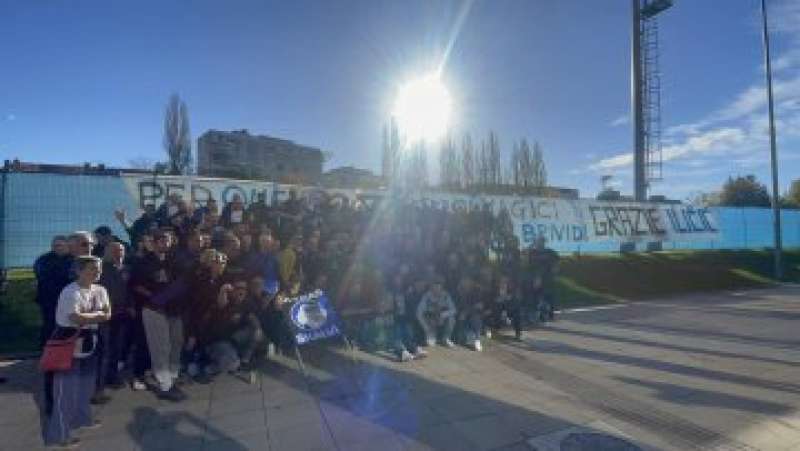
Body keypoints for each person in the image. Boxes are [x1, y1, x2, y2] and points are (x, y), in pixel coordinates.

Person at [43, 256, 111, 449]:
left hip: (91, 341)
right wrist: (96, 315)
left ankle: (83, 418)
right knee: (65, 390)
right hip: (68, 342)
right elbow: (76, 318)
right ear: (79, 271)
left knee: (86, 384)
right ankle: (60, 434)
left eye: (98, 269)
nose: (97, 272)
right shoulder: (69, 292)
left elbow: (107, 314)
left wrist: (93, 316)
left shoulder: (100, 290)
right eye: (91, 269)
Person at [130, 230, 187, 401]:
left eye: (168, 240)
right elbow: (135, 285)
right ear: (154, 243)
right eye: (161, 240)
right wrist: (155, 298)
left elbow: (183, 283)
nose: (165, 243)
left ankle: (172, 377)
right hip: (153, 309)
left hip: (174, 309)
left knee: (176, 342)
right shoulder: (143, 262)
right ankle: (165, 385)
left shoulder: (175, 260)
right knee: (160, 347)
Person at [96, 242, 131, 396]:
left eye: (121, 250)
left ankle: (112, 377)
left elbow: (130, 289)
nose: (119, 253)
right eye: (115, 250)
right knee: (102, 348)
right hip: (103, 314)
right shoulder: (100, 268)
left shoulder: (126, 269)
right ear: (107, 252)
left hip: (121, 313)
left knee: (117, 346)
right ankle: (98, 383)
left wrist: (130, 305)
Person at [33, 235, 71, 348]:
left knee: (66, 325)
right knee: (49, 324)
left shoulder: (72, 259)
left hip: (67, 299)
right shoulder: (43, 259)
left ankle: (64, 349)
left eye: (60, 245)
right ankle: (46, 349)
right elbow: (42, 274)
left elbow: (72, 276)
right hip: (48, 299)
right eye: (55, 245)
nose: (57, 248)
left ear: (67, 246)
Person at [387, 274, 426, 362]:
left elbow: (406, 307)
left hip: (403, 318)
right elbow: (389, 307)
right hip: (393, 318)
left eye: (399, 279)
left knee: (408, 333)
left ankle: (414, 349)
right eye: (396, 279)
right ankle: (402, 352)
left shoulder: (404, 292)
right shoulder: (391, 292)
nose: (398, 281)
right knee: (397, 334)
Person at [416, 278, 456, 348]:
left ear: (441, 287)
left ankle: (446, 338)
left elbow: (454, 310)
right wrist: (426, 327)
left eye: (438, 286)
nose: (437, 288)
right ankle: (430, 335)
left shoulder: (446, 295)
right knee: (430, 344)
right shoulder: (426, 296)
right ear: (432, 286)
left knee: (451, 319)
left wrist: (443, 314)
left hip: (442, 319)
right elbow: (419, 312)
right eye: (435, 285)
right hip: (430, 321)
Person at [527, 236, 559, 322]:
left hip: (547, 278)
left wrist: (555, 271)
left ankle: (549, 314)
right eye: (538, 242)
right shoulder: (533, 252)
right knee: (536, 296)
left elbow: (556, 262)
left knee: (548, 296)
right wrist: (532, 244)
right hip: (535, 278)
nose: (540, 243)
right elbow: (525, 254)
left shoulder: (549, 252)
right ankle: (536, 314)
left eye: (542, 241)